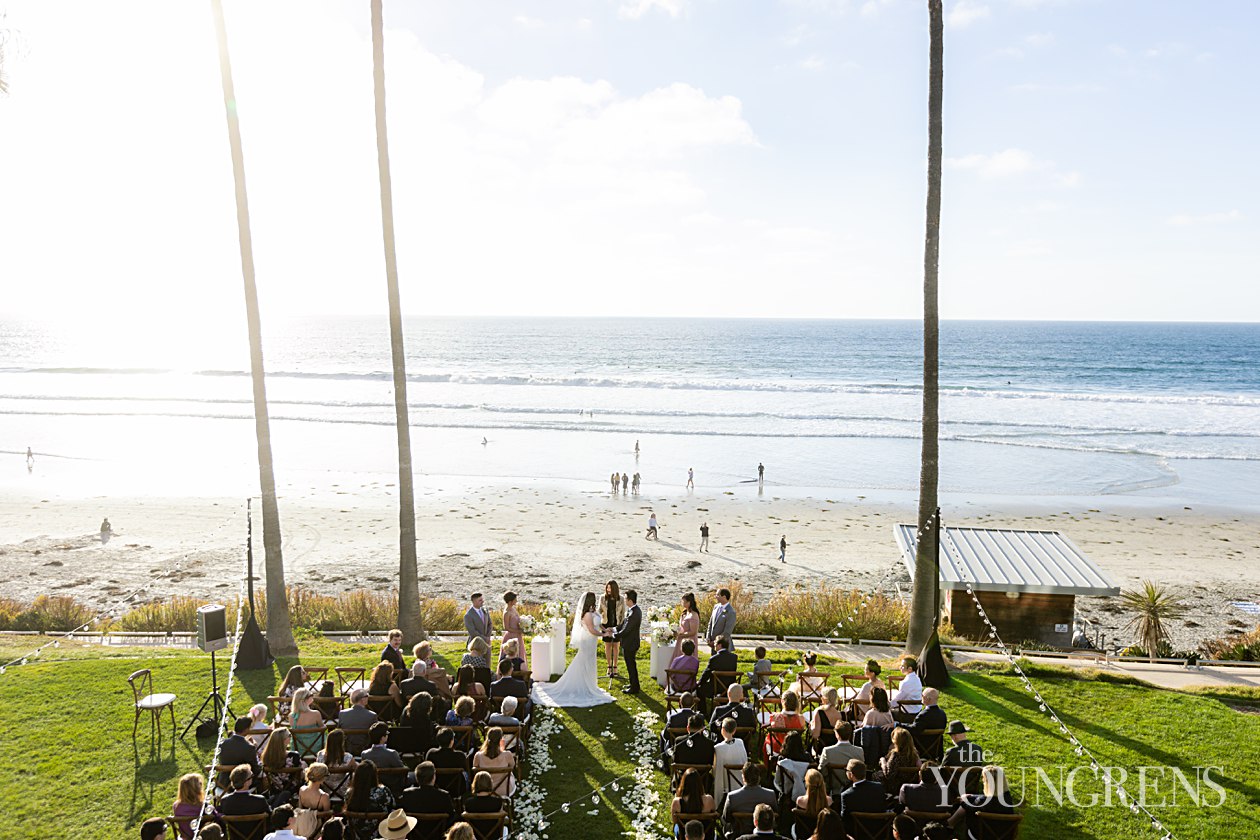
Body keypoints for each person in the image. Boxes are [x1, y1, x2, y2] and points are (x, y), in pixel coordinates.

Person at [531, 591, 618, 706]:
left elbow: (598, 624)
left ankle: (590, 684)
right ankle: (582, 684)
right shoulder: (586, 614)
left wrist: (605, 629)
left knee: (590, 661)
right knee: (583, 661)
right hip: (587, 640)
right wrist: (604, 635)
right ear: (590, 600)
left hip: (592, 642)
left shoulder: (593, 611)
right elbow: (591, 630)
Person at [948, 765, 1015, 838]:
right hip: (1003, 835)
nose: (982, 780)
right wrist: (973, 796)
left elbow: (970, 809)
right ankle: (950, 823)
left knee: (969, 804)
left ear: (987, 782)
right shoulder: (1007, 798)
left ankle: (949, 824)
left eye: (983, 778)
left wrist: (963, 801)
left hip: (981, 835)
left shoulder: (982, 801)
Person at [722, 761, 778, 833]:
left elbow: (726, 818)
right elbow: (775, 816)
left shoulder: (732, 797)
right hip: (764, 831)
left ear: (743, 778)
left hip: (739, 833)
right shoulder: (770, 795)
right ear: (759, 777)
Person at [345, 761, 397, 837]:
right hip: (381, 834)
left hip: (356, 835)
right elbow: (393, 807)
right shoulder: (383, 792)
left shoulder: (349, 793)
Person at [837, 760, 889, 835]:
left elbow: (844, 819)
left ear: (851, 774)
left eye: (846, 770)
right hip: (879, 832)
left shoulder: (846, 795)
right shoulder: (879, 787)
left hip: (856, 834)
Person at [606, 589, 643, 694]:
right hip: (629, 643)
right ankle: (633, 684)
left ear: (630, 600)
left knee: (631, 665)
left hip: (631, 643)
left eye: (626, 598)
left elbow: (626, 630)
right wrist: (613, 628)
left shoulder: (635, 613)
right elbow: (623, 625)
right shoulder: (631, 610)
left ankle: (634, 688)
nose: (625, 600)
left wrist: (613, 635)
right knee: (630, 665)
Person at [260, 727, 305, 806]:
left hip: (275, 790)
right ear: (284, 740)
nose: (290, 737)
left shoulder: (266, 756)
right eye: (289, 735)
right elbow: (300, 776)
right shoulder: (294, 756)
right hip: (293, 791)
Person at [362, 721, 408, 795]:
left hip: (373, 785)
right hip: (392, 785)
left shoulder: (364, 754)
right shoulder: (391, 753)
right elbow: (402, 770)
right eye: (386, 734)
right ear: (382, 737)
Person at [897, 687, 947, 755]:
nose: (921, 697)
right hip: (936, 750)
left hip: (920, 748)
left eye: (922, 695)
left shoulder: (923, 715)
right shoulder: (942, 714)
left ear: (928, 699)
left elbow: (913, 730)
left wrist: (897, 725)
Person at [713, 716, 749, 807]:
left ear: (722, 730)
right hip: (741, 781)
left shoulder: (718, 748)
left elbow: (715, 770)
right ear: (734, 730)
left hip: (726, 785)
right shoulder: (740, 742)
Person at [426, 728, 471, 799]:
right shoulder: (460, 756)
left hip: (436, 786)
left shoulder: (431, 754)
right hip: (456, 789)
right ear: (452, 741)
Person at [472, 726, 516, 796]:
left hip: (483, 790)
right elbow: (513, 766)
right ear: (501, 740)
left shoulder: (478, 756)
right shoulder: (507, 755)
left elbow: (475, 772)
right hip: (505, 789)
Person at [219, 716, 262, 789]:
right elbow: (256, 769)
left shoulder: (222, 743)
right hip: (242, 784)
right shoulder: (249, 747)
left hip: (223, 783)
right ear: (246, 730)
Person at [698, 636, 738, 713]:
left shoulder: (714, 658)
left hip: (715, 688)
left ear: (720, 645)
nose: (714, 646)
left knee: (699, 689)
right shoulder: (734, 657)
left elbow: (706, 674)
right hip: (729, 687)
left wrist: (699, 683)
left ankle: (703, 712)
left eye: (715, 644)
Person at [764, 689, 805, 760]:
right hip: (794, 747)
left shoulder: (774, 717)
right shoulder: (801, 719)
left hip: (777, 748)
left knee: (768, 738)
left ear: (782, 702)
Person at [172, 773, 215, 839]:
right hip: (202, 837)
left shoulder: (176, 806)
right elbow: (214, 816)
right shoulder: (202, 805)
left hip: (185, 837)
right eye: (199, 784)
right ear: (195, 789)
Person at [316, 727, 356, 795]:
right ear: (342, 743)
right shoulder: (348, 757)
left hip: (325, 789)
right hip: (342, 790)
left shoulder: (320, 755)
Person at [339, 689, 378, 754]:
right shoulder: (372, 715)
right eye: (367, 696)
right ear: (362, 699)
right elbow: (376, 735)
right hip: (366, 749)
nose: (368, 697)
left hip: (347, 749)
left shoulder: (342, 714)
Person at [774, 731, 811, 800]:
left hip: (786, 790)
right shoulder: (807, 757)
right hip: (804, 790)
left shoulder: (782, 759)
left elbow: (777, 780)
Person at [295, 762, 332, 830]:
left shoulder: (302, 790)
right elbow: (327, 817)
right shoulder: (324, 797)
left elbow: (300, 810)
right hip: (316, 828)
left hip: (302, 825)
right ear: (322, 778)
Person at [601, 580, 625, 680]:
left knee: (616, 646)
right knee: (607, 646)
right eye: (607, 587)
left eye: (610, 588)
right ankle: (609, 666)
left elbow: (623, 613)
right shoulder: (602, 598)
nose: (608, 589)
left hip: (617, 625)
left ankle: (615, 666)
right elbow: (599, 610)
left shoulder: (621, 598)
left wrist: (620, 626)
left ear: (615, 589)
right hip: (606, 624)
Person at [289, 689, 325, 755]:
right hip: (316, 748)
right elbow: (322, 727)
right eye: (311, 695)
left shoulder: (291, 716)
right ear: (305, 699)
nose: (312, 696)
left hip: (298, 749)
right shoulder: (316, 714)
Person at [499, 591, 528, 670]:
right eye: (515, 599)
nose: (516, 601)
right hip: (511, 636)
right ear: (510, 601)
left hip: (518, 635)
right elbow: (507, 627)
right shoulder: (507, 612)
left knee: (520, 653)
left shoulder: (513, 609)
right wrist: (517, 631)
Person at [706, 588, 736, 653]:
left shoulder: (731, 612)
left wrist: (716, 642)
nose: (715, 597)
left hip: (723, 646)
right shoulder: (716, 607)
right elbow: (710, 623)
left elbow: (727, 631)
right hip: (713, 645)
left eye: (717, 595)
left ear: (724, 597)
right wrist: (708, 638)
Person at [673, 593, 701, 659]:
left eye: (684, 602)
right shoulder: (684, 613)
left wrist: (680, 635)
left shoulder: (693, 615)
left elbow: (693, 632)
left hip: (689, 643)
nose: (682, 603)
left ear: (689, 602)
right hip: (681, 640)